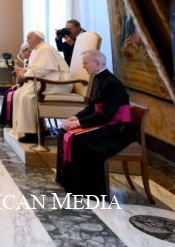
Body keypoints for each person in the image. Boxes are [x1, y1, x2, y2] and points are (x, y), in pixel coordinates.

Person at [57, 50, 135, 197]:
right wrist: (75, 118)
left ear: (97, 63)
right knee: (65, 131)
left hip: (118, 129)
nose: (83, 66)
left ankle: (87, 190)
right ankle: (69, 183)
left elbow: (106, 114)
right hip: (107, 123)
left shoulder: (111, 83)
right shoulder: (98, 78)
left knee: (79, 139)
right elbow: (92, 107)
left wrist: (80, 123)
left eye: (85, 63)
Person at [10, 30, 72, 143]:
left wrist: (24, 74)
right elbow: (35, 69)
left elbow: (40, 71)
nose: (26, 40)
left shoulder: (45, 49)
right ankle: (28, 130)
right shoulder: (36, 50)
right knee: (18, 94)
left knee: (27, 96)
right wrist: (25, 70)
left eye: (29, 38)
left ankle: (32, 133)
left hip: (58, 83)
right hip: (47, 80)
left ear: (38, 39)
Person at [0, 42, 32, 128]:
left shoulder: (34, 61)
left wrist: (21, 82)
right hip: (26, 84)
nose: (21, 54)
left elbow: (32, 75)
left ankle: (11, 121)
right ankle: (4, 120)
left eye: (22, 52)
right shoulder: (29, 60)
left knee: (11, 94)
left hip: (30, 86)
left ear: (28, 51)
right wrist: (19, 83)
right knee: (8, 92)